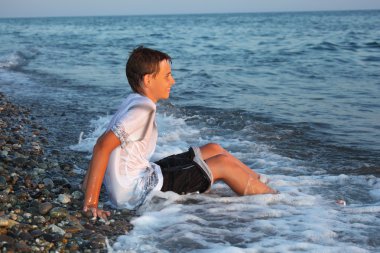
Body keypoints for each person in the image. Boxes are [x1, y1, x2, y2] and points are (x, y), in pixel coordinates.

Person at [82, 46, 277, 220]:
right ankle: (277, 202)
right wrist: (91, 202)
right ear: (149, 79)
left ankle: (261, 183)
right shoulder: (142, 110)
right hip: (137, 192)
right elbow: (102, 146)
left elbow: (103, 143)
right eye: (167, 76)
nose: (173, 81)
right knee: (223, 165)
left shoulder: (133, 101)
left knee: (213, 149)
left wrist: (85, 184)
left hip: (144, 175)